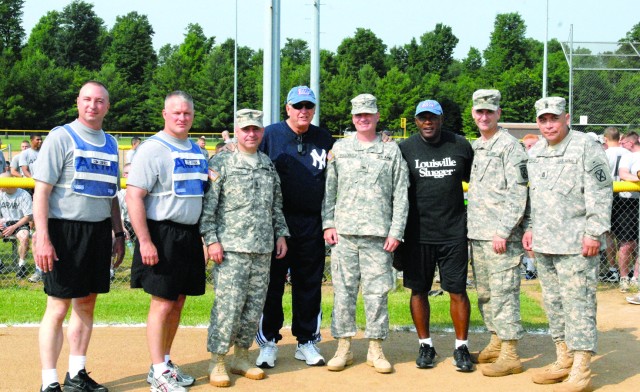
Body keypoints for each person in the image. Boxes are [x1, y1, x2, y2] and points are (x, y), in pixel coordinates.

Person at [33, 80, 125, 392]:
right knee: (58, 307)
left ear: (107, 106)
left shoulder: (111, 143)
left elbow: (111, 194)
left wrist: (118, 232)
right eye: (87, 99)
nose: (93, 105)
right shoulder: (62, 136)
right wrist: (41, 237)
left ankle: (77, 373)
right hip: (63, 231)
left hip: (98, 232)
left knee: (86, 305)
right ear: (77, 102)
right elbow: (41, 191)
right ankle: (50, 381)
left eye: (99, 101)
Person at [523, 97, 612, 391]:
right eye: (543, 120)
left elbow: (600, 191)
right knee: (555, 304)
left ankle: (582, 367)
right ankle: (563, 358)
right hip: (546, 243)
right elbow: (535, 197)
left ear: (567, 117)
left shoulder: (586, 146)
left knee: (579, 305)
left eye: (554, 119)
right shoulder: (535, 152)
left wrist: (594, 232)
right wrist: (531, 228)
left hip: (577, 243)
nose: (548, 125)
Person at [200, 109, 290, 387]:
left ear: (262, 132)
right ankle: (218, 360)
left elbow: (275, 204)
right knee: (228, 307)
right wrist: (211, 239)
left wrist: (281, 234)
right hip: (231, 249)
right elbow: (208, 208)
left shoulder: (266, 163)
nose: (251, 134)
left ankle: (241, 356)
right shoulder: (222, 162)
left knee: (253, 308)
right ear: (237, 132)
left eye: (256, 130)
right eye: (246, 130)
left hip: (262, 248)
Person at [126, 91, 208, 392]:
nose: (182, 117)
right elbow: (134, 196)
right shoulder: (152, 148)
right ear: (164, 114)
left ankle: (163, 362)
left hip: (188, 234)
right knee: (161, 303)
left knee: (179, 301)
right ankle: (158, 372)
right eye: (176, 112)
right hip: (162, 233)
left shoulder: (197, 150)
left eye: (187, 113)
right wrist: (144, 241)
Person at [322, 93, 409, 373]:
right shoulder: (340, 148)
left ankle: (375, 348)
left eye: (368, 114)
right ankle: (344, 347)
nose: (363, 119)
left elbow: (400, 193)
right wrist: (328, 224)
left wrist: (396, 230)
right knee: (343, 293)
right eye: (358, 115)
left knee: (376, 294)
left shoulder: (390, 150)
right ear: (353, 118)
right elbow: (329, 190)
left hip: (378, 236)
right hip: (345, 234)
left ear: (377, 116)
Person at [254, 86, 334, 368]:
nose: (303, 111)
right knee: (272, 284)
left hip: (312, 222)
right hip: (276, 223)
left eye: (308, 106)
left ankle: (306, 340)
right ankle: (268, 342)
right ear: (287, 108)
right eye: (298, 106)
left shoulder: (324, 138)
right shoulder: (271, 135)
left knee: (309, 283)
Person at [398, 99, 474, 372]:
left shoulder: (460, 145)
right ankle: (425, 345)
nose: (427, 122)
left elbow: (475, 180)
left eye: (433, 117)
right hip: (417, 234)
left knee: (457, 291)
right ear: (416, 121)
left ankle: (461, 347)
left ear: (442, 119)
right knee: (418, 290)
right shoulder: (404, 148)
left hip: (453, 231)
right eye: (422, 118)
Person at [466, 90, 528, 377]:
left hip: (501, 237)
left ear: (498, 113)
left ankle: (511, 353)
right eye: (479, 111)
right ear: (473, 113)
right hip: (478, 234)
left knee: (504, 294)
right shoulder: (477, 146)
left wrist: (503, 231)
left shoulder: (511, 147)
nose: (484, 116)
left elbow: (518, 194)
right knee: (486, 294)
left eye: (489, 111)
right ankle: (495, 340)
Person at [602, 127, 630, 284]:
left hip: (610, 197)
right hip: (627, 196)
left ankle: (613, 269)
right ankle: (625, 270)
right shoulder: (628, 153)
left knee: (609, 234)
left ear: (606, 139)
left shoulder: (604, 154)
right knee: (626, 236)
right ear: (619, 138)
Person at [615, 132, 640, 292]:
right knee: (626, 244)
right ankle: (624, 277)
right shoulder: (629, 156)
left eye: (624, 143)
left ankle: (636, 278)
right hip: (628, 203)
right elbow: (623, 174)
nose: (622, 145)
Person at [0, 171, 33, 279]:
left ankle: (21, 266)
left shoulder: (23, 194)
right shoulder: (1, 194)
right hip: (5, 222)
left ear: (7, 183)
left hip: (20, 222)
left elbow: (28, 216)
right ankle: (0, 264)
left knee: (24, 237)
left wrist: (14, 227)